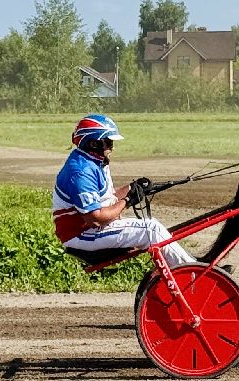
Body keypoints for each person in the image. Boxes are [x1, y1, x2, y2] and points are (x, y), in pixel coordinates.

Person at [52, 114, 194, 267]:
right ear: (94, 143)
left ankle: (189, 269)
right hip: (81, 236)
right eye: (108, 142)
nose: (112, 147)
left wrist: (133, 189)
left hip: (89, 231)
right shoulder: (81, 172)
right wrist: (127, 201)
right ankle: (195, 276)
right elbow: (96, 218)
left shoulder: (93, 162)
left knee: (153, 228)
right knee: (152, 229)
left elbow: (107, 199)